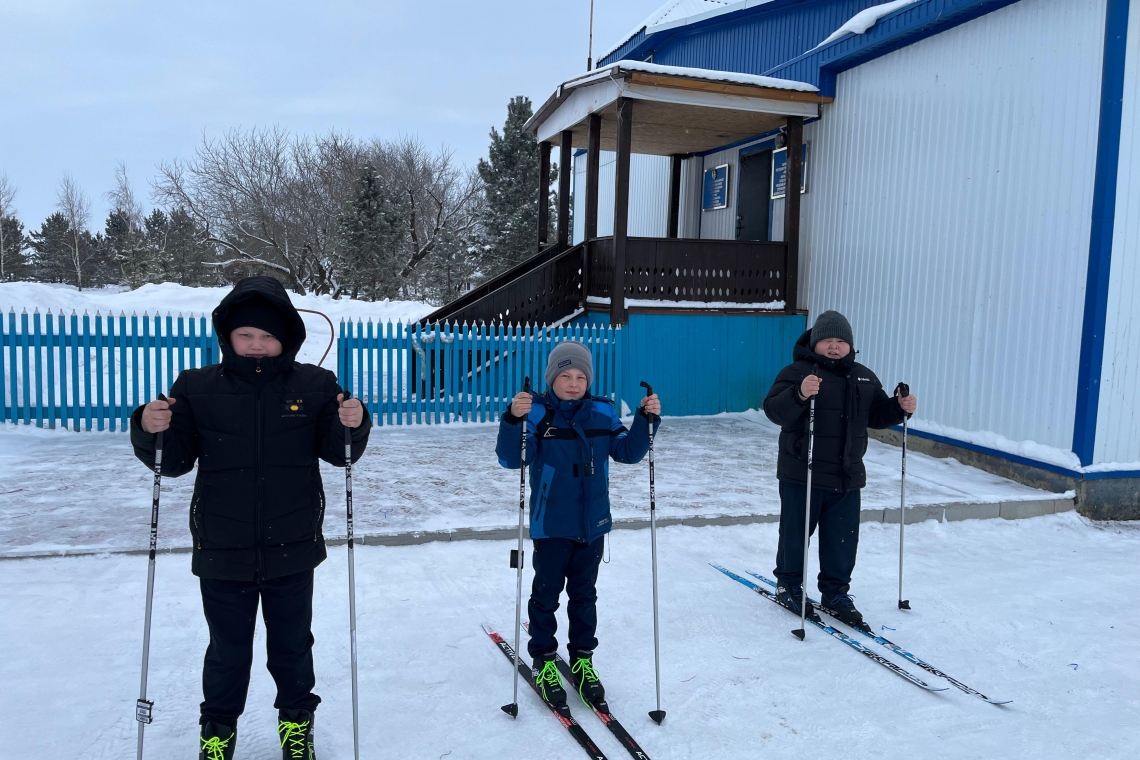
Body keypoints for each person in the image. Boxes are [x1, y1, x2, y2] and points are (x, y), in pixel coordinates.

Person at [130, 276, 370, 760]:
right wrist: (146, 427)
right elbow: (172, 462)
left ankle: (296, 729)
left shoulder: (316, 385)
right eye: (246, 335)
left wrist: (356, 421)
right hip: (222, 547)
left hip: (293, 543)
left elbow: (338, 454)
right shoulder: (196, 386)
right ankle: (217, 734)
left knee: (292, 646)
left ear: (287, 337)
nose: (257, 345)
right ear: (227, 337)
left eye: (267, 336)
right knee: (227, 651)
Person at [495, 340, 660, 708]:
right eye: (565, 375)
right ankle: (544, 660)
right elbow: (512, 459)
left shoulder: (602, 411)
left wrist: (646, 420)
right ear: (551, 377)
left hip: (593, 525)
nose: (573, 382)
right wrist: (513, 419)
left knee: (585, 597)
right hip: (551, 526)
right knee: (546, 597)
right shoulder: (537, 413)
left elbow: (628, 452)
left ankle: (583, 660)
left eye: (581, 376)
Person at [763, 310, 917, 629]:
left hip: (847, 474)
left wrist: (898, 408)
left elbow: (875, 415)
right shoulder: (797, 372)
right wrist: (800, 393)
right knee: (795, 534)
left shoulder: (863, 376)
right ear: (815, 342)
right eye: (828, 340)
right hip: (801, 472)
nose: (834, 347)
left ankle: (834, 593)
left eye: (841, 341)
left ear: (850, 345)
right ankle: (788, 585)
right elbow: (775, 411)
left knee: (842, 540)